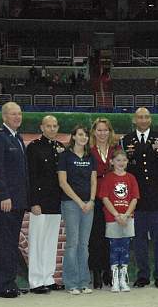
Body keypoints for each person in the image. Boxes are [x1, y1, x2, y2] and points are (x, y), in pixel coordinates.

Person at [121, 107, 158, 288]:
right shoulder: (126, 141)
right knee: (139, 240)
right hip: (137, 200)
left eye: (146, 117)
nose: (143, 120)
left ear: (150, 119)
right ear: (134, 120)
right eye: (140, 117)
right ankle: (143, 275)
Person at [0, 102, 29, 298]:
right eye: (13, 114)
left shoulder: (18, 138)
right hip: (5, 201)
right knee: (5, 243)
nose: (17, 117)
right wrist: (3, 194)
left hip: (18, 201)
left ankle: (10, 282)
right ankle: (3, 286)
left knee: (12, 243)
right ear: (4, 117)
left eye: (19, 114)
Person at [26, 115, 66, 294]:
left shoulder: (60, 148)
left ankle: (48, 278)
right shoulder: (34, 148)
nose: (52, 129)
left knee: (51, 242)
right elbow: (30, 176)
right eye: (48, 126)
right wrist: (33, 201)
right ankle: (35, 281)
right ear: (41, 127)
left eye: (55, 126)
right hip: (39, 202)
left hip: (55, 200)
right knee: (37, 242)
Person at [58, 125, 97, 295]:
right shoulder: (65, 156)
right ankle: (71, 283)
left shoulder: (90, 157)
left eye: (86, 135)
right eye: (80, 135)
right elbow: (63, 183)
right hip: (71, 204)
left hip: (88, 205)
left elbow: (94, 181)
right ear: (73, 136)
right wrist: (80, 202)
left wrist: (92, 201)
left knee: (84, 244)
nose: (83, 138)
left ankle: (84, 282)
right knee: (72, 244)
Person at [98, 149, 140, 293]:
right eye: (118, 160)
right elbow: (105, 198)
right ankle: (115, 279)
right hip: (112, 219)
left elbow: (134, 198)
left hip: (128, 219)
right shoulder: (108, 178)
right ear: (112, 162)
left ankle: (123, 279)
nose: (121, 163)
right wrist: (116, 215)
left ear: (127, 162)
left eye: (124, 160)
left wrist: (126, 215)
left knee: (125, 248)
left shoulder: (131, 178)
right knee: (114, 249)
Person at [89, 117, 119, 289]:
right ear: (94, 132)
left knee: (112, 236)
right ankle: (96, 272)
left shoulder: (116, 149)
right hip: (96, 196)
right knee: (96, 237)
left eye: (105, 130)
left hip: (114, 198)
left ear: (110, 131)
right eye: (99, 130)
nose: (102, 133)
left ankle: (110, 270)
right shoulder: (89, 150)